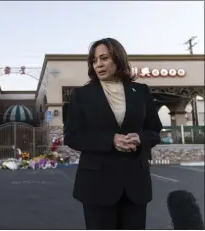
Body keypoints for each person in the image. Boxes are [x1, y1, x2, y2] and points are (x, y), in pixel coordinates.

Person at [64, 38, 162, 230]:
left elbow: (154, 130)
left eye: (104, 58)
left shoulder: (140, 91)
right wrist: (110, 140)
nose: (98, 64)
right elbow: (72, 135)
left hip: (135, 184)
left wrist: (140, 138)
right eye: (94, 60)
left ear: (118, 59)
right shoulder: (82, 95)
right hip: (97, 184)